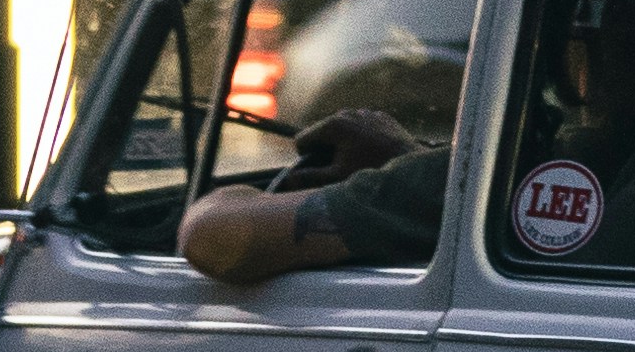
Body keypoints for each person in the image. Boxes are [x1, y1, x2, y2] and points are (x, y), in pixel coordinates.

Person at [182, 107, 442, 286]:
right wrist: (405, 155)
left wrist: (404, 170)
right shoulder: (465, 183)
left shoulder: (431, 184)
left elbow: (210, 235)